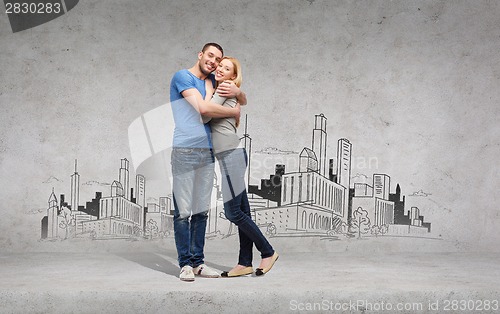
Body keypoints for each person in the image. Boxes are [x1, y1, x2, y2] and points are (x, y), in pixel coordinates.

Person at [169, 43, 247, 282]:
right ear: (200, 54)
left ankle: (198, 263)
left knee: (201, 212)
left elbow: (240, 95)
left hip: (207, 151)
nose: (214, 62)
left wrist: (239, 96)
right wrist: (233, 113)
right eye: (210, 56)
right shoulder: (183, 77)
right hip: (184, 150)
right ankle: (185, 264)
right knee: (183, 212)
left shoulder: (213, 81)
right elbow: (203, 109)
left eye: (218, 59)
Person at [204, 56, 279, 277]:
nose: (220, 69)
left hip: (231, 156)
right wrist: (238, 97)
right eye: (220, 66)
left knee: (233, 212)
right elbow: (241, 99)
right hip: (232, 155)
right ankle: (245, 262)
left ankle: (268, 251)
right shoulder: (229, 89)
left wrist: (212, 93)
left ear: (233, 76)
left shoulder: (224, 89)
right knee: (243, 210)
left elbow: (204, 116)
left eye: (227, 68)